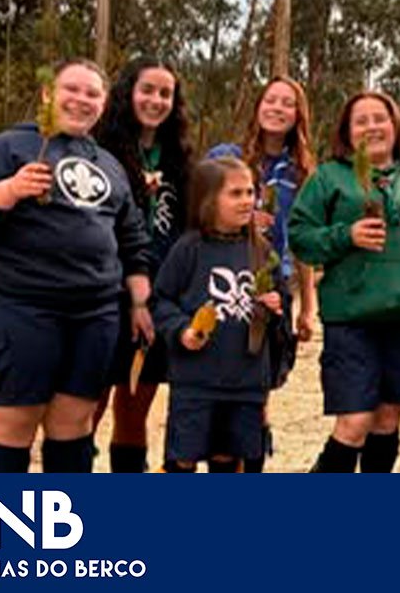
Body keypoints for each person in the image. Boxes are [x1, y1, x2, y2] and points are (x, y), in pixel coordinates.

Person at [0, 58, 151, 473]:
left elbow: (131, 238)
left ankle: (61, 533)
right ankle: (7, 534)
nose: (81, 99)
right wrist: (9, 189)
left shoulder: (109, 165)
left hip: (94, 316)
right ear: (47, 95)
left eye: (92, 93)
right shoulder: (9, 147)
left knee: (73, 426)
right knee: (14, 424)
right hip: (20, 308)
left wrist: (140, 301)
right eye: (71, 89)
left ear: (104, 104)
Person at [290, 90, 400, 473]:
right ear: (347, 132)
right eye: (361, 121)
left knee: (386, 422)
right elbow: (300, 236)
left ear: (395, 126)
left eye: (379, 118)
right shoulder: (328, 178)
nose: (372, 127)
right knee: (353, 423)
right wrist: (345, 236)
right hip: (352, 319)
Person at [205, 77, 319, 471]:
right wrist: (238, 214)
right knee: (222, 393)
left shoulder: (303, 172)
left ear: (298, 116)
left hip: (274, 287)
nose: (278, 108)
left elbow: (303, 242)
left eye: (288, 103)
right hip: (224, 280)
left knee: (258, 395)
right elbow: (197, 211)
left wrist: (307, 305)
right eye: (271, 100)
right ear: (258, 106)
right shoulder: (226, 155)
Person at [92, 56, 195, 473]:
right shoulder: (100, 150)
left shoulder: (180, 159)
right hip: (103, 294)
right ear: (127, 94)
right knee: (86, 408)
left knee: (135, 410)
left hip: (158, 297)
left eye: (165, 93)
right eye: (147, 90)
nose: (156, 100)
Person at [153, 158, 286, 473]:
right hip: (196, 381)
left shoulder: (263, 251)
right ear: (209, 200)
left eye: (250, 192)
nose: (246, 201)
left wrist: (275, 306)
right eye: (235, 193)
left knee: (228, 458)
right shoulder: (189, 249)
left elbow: (280, 311)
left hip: (246, 379)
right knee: (183, 457)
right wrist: (182, 330)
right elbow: (161, 301)